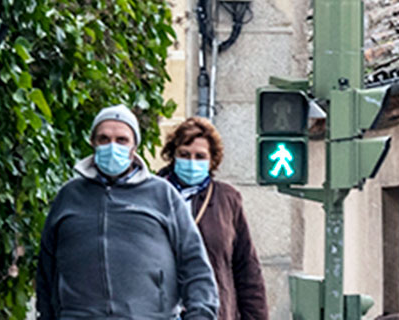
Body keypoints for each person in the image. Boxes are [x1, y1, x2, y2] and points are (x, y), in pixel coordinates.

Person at [37, 105, 218, 320]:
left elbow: (195, 266)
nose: (112, 147)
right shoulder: (69, 197)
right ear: (93, 143)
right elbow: (46, 272)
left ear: (134, 147)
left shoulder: (163, 195)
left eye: (121, 140)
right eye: (104, 139)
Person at [158, 116, 268, 320]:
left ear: (212, 160)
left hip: (214, 311)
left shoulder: (227, 199)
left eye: (200, 156)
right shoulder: (152, 193)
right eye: (184, 154)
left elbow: (247, 269)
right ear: (173, 155)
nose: (191, 162)